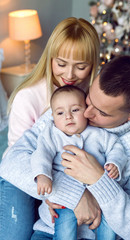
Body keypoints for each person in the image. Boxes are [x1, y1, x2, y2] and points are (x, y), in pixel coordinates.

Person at [0, 56, 130, 240]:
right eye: (90, 98)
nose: (86, 112)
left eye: (101, 112)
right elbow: (11, 161)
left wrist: (98, 179)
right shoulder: (69, 108)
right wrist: (75, 195)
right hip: (52, 230)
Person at [0, 17, 100, 240]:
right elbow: (17, 160)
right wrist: (65, 194)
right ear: (50, 58)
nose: (70, 75)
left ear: (92, 64)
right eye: (62, 64)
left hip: (65, 172)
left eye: (81, 67)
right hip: (25, 174)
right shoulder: (28, 96)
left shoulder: (95, 93)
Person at [31, 85, 127, 240]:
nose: (68, 116)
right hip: (66, 196)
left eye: (75, 110)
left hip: (100, 193)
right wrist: (42, 175)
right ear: (53, 117)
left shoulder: (99, 134)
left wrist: (115, 163)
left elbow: (116, 148)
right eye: (60, 113)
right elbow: (41, 154)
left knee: (110, 224)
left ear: (86, 111)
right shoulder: (52, 134)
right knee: (65, 224)